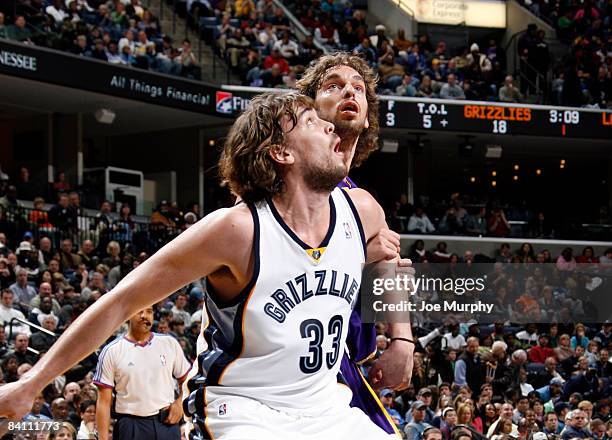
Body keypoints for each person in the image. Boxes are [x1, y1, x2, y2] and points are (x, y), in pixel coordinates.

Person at [0, 92, 406, 440]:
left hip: (325, 405)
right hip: (245, 411)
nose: (331, 127)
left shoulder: (362, 211)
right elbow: (121, 301)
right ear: (281, 153)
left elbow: (389, 265)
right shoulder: (237, 230)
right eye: (313, 123)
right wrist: (32, 383)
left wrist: (402, 339)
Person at [296, 52, 414, 434]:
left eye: (358, 88)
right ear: (308, 109)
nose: (349, 90)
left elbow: (389, 268)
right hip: (283, 367)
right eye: (334, 85)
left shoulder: (360, 200)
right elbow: (265, 264)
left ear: (366, 117)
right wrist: (359, 256)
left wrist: (402, 341)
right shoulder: (280, 178)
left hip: (341, 361)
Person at [94, 307, 191, 440]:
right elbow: (104, 402)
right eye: (139, 311)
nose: (145, 316)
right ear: (127, 315)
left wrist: (180, 403)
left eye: (149, 311)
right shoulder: (112, 351)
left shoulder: (169, 343)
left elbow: (188, 381)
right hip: (131, 426)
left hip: (167, 423)